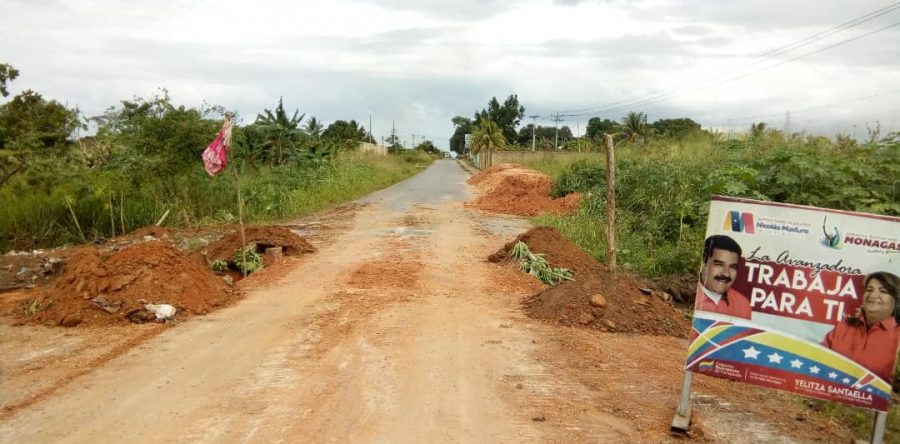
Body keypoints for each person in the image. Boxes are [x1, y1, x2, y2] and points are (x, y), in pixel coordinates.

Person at [823, 272, 900, 383]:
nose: (873, 295)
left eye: (883, 291)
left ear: (896, 300)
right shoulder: (844, 326)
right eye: (869, 290)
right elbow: (818, 359)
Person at [694, 235, 752, 319]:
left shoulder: (742, 304)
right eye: (719, 265)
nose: (726, 274)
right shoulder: (685, 296)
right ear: (703, 264)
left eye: (733, 267)